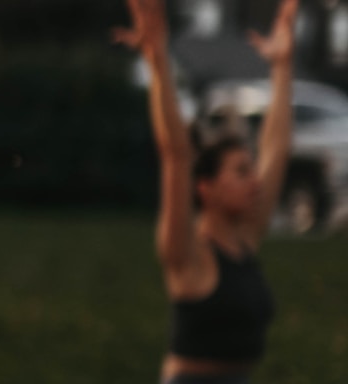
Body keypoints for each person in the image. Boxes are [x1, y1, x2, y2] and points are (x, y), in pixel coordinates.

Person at [115, 0, 296, 382]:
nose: (254, 180)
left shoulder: (245, 237)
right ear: (206, 187)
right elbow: (175, 156)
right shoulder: (187, 254)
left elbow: (276, 148)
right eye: (241, 172)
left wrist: (281, 68)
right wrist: (158, 61)